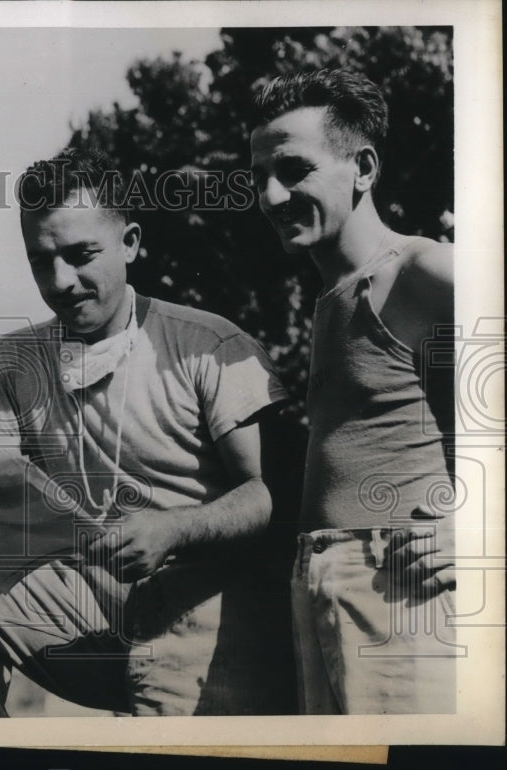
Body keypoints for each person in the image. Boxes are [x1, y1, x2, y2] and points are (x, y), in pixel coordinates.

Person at [0, 147, 293, 717]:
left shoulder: (208, 345)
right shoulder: (9, 363)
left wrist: (174, 529)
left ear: (130, 243)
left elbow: (267, 494)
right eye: (41, 260)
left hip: (198, 611)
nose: (61, 281)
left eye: (80, 255)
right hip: (83, 608)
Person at [250, 69, 457, 714]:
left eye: (293, 170)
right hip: (323, 585)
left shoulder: (417, 269)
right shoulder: (334, 296)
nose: (271, 195)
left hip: (402, 585)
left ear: (362, 167)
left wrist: (481, 524)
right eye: (259, 175)